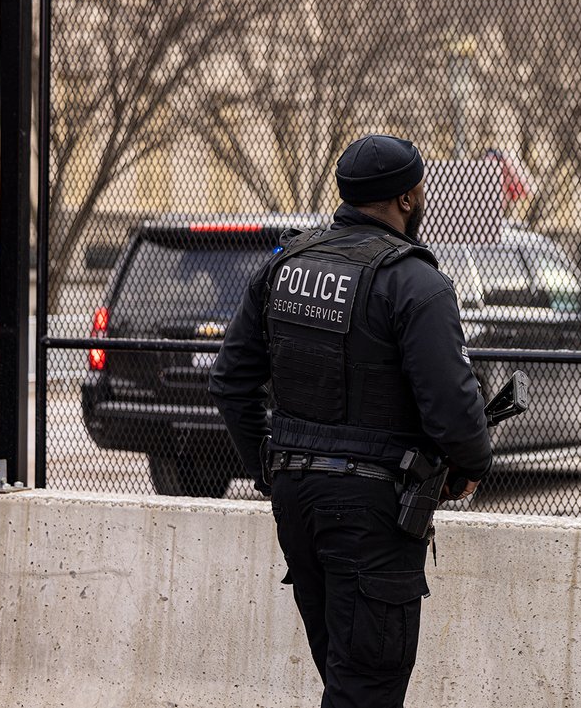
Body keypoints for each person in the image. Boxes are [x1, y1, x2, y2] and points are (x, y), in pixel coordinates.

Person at [208, 133, 493, 708]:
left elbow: (231, 383)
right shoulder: (416, 282)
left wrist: (270, 469)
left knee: (345, 675)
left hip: (298, 501)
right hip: (371, 513)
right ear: (407, 199)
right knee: (366, 686)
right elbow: (453, 408)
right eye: (421, 191)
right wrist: (469, 465)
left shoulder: (284, 266)